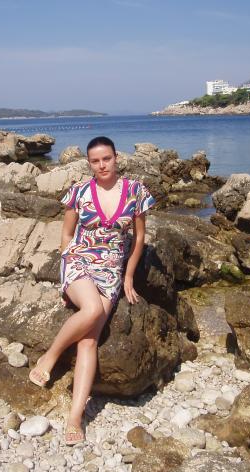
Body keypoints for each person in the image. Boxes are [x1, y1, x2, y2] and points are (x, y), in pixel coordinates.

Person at [28, 136, 156, 445]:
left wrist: (128, 277)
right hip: (79, 261)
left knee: (89, 340)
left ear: (116, 158)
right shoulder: (79, 192)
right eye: (95, 161)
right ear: (89, 163)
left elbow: (139, 238)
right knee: (93, 310)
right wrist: (66, 268)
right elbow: (67, 233)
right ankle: (49, 358)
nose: (102, 165)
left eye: (106, 159)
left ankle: (75, 417)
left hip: (111, 271)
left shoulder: (136, 191)